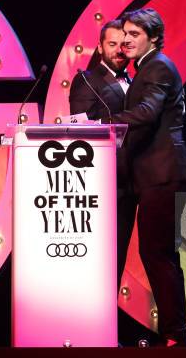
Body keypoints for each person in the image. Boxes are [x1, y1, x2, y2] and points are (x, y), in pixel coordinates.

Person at [103, 8, 186, 347]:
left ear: (153, 38)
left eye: (134, 34)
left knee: (158, 254)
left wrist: (104, 125)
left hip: (165, 173)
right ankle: (175, 334)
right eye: (124, 33)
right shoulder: (148, 67)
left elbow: (146, 112)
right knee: (159, 254)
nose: (126, 40)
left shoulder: (157, 66)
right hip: (159, 175)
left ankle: (176, 336)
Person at [69, 20, 137, 292]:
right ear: (99, 47)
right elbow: (80, 130)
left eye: (124, 44)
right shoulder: (87, 80)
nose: (119, 50)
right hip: (101, 184)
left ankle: (109, 325)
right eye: (112, 44)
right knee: (98, 258)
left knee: (118, 255)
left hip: (131, 183)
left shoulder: (136, 80)